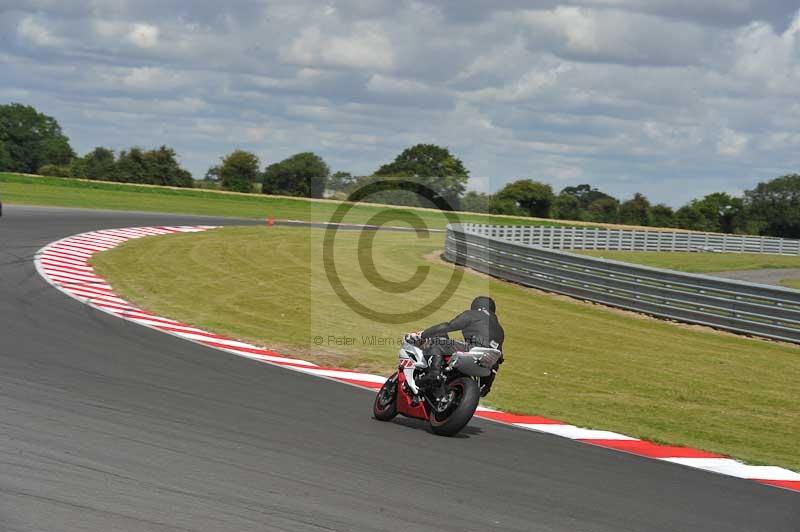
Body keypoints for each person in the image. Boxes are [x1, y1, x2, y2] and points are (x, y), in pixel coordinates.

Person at [416, 296, 504, 397]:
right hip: (489, 361)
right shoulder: (500, 329)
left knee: (437, 343)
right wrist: (487, 385)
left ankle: (434, 374)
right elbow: (498, 360)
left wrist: (422, 335)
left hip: (473, 349)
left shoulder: (473, 314)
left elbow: (448, 326)